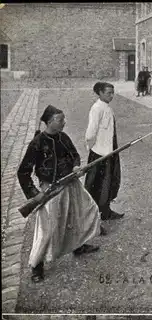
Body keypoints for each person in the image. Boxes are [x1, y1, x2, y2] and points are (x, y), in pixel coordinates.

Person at [17, 105, 100, 283]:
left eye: (63, 119)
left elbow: (75, 155)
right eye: (60, 120)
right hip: (50, 190)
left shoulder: (64, 137)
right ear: (48, 122)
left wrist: (77, 166)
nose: (64, 122)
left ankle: (78, 246)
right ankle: (37, 266)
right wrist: (35, 194)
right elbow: (23, 172)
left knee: (82, 213)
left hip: (71, 183)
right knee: (47, 229)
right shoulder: (37, 143)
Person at [85, 82, 123, 222]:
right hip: (100, 152)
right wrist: (92, 148)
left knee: (110, 181)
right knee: (97, 184)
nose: (111, 96)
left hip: (110, 149)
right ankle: (92, 215)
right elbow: (90, 132)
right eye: (108, 93)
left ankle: (106, 211)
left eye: (113, 93)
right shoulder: (97, 109)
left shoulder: (107, 108)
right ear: (100, 93)